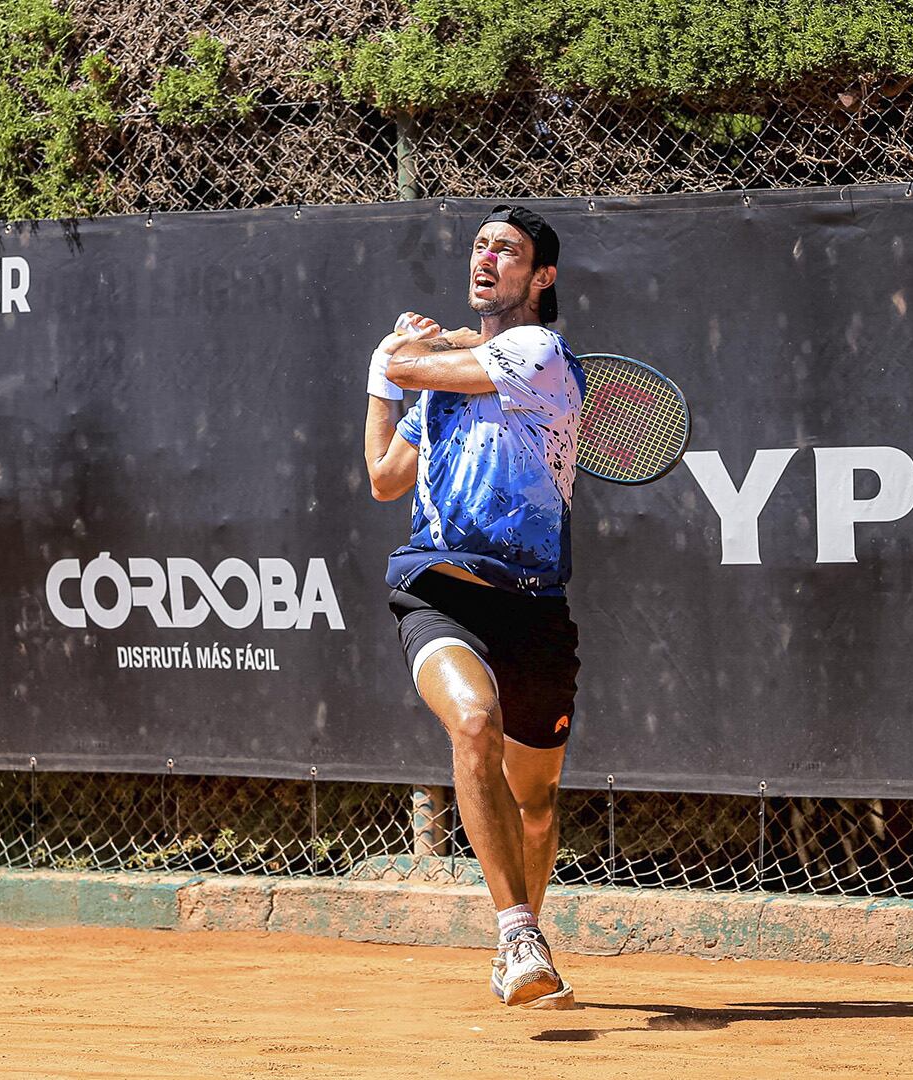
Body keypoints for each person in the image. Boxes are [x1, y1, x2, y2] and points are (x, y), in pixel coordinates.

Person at [364, 205, 584, 1008]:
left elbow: (418, 365)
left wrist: (402, 353)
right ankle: (516, 933)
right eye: (481, 246)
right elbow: (387, 477)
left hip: (533, 603)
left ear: (541, 277)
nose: (487, 259)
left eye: (509, 251)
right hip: (437, 584)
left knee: (535, 805)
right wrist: (379, 386)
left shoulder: (538, 352)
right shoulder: (450, 377)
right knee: (472, 722)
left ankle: (526, 929)